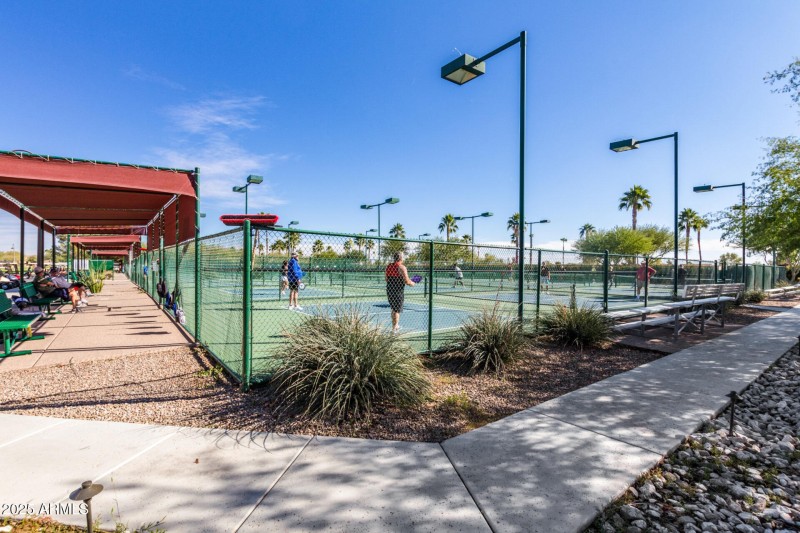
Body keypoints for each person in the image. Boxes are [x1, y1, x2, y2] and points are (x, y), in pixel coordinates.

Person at [385, 251, 415, 333]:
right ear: (401, 258)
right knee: (397, 310)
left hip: (389, 289)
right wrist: (412, 283)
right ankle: (395, 328)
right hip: (398, 291)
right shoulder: (402, 267)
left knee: (393, 309)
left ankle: (395, 326)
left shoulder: (388, 266)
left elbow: (386, 279)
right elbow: (407, 281)